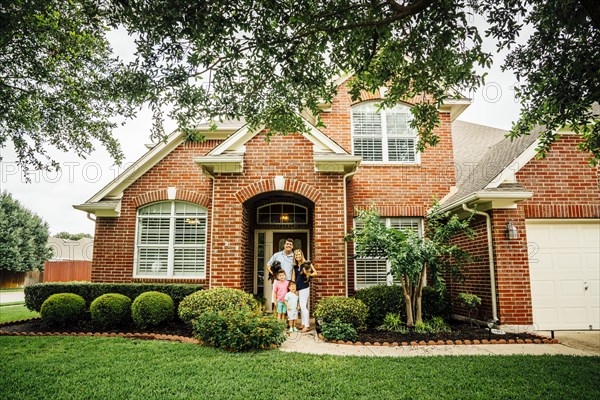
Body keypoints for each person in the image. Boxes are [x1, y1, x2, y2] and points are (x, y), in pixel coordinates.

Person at [292, 249, 317, 333]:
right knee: (301, 307)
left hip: (304, 287)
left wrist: (307, 274)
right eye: (296, 255)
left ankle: (307, 326)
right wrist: (294, 289)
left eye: (299, 254)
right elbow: (293, 278)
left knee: (303, 306)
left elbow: (315, 273)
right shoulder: (295, 266)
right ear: (294, 257)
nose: (298, 256)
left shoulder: (306, 264)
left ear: (302, 255)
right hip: (298, 288)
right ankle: (303, 324)